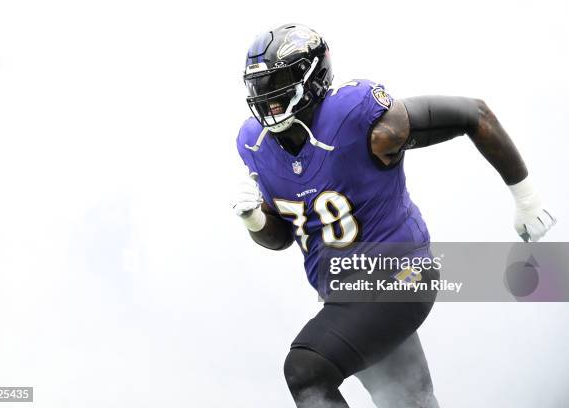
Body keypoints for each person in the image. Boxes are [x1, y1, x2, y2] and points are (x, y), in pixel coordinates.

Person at [232, 23, 556, 408]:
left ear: (312, 75)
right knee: (409, 401)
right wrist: (254, 219)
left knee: (307, 369)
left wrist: (527, 198)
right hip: (345, 298)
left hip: (399, 275)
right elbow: (283, 236)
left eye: (278, 82)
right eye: (260, 86)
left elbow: (475, 114)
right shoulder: (255, 145)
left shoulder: (355, 118)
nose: (267, 98)